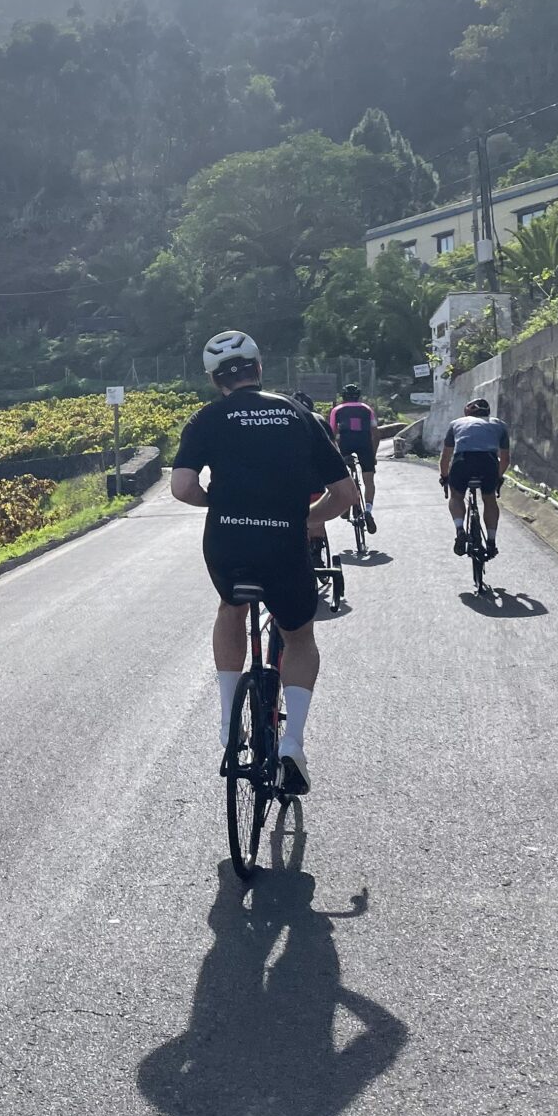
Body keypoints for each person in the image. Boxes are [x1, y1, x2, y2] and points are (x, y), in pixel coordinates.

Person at [171, 331, 358, 796]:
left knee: (230, 609)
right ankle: (292, 740)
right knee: (299, 635)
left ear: (216, 380)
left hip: (228, 538)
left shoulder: (207, 418)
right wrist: (306, 521)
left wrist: (217, 502)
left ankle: (226, 721)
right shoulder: (300, 415)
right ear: (258, 367)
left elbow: (181, 487)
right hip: (283, 541)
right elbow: (344, 495)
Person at [439, 397, 511, 559]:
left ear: (467, 412)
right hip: (488, 462)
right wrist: (498, 478)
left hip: (462, 461)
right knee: (489, 499)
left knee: (456, 496)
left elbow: (445, 458)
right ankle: (491, 541)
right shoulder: (500, 425)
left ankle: (460, 530)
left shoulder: (456, 424)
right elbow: (505, 460)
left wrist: (445, 477)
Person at [326, 385, 380, 533]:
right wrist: (373, 455)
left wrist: (335, 456)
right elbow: (375, 433)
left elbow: (331, 434)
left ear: (343, 397)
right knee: (369, 481)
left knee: (344, 478)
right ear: (359, 396)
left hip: (345, 443)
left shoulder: (337, 410)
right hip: (364, 444)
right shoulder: (367, 409)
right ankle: (368, 510)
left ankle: (346, 505)